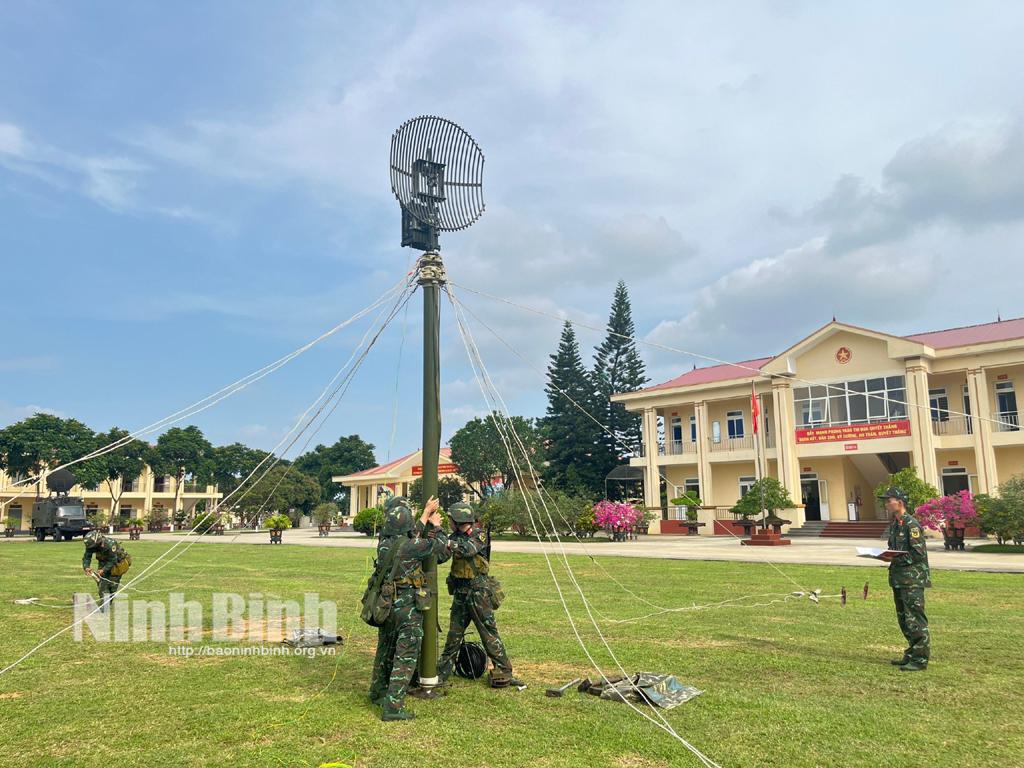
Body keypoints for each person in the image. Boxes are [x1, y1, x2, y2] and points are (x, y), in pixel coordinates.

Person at [378, 496, 449, 721]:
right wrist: (436, 526)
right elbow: (439, 546)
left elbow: (410, 534)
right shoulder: (411, 546)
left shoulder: (385, 543)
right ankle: (393, 707)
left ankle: (377, 692)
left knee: (385, 651)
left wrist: (425, 514)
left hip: (387, 605)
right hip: (407, 606)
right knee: (406, 655)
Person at [437, 502, 522, 689]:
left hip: (478, 593)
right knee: (453, 636)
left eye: (450, 519)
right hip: (461, 593)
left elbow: (468, 549)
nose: (448, 521)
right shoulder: (454, 537)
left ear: (458, 520)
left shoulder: (479, 534)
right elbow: (441, 557)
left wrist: (444, 539)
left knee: (488, 634)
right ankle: (441, 674)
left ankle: (504, 671)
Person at [878, 487, 931, 672]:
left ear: (899, 502)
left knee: (915, 618)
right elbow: (895, 550)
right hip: (899, 578)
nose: (886, 504)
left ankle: (920, 659)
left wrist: (893, 558)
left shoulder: (911, 525)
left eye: (888, 500)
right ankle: (910, 654)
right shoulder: (895, 525)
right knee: (904, 619)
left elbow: (917, 554)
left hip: (912, 579)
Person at [82, 529, 132, 612]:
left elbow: (112, 560)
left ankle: (107, 604)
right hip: (103, 562)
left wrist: (103, 570)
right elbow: (87, 556)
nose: (91, 549)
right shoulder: (91, 544)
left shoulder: (110, 544)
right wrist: (86, 567)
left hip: (117, 563)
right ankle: (104, 606)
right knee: (102, 584)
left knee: (112, 586)